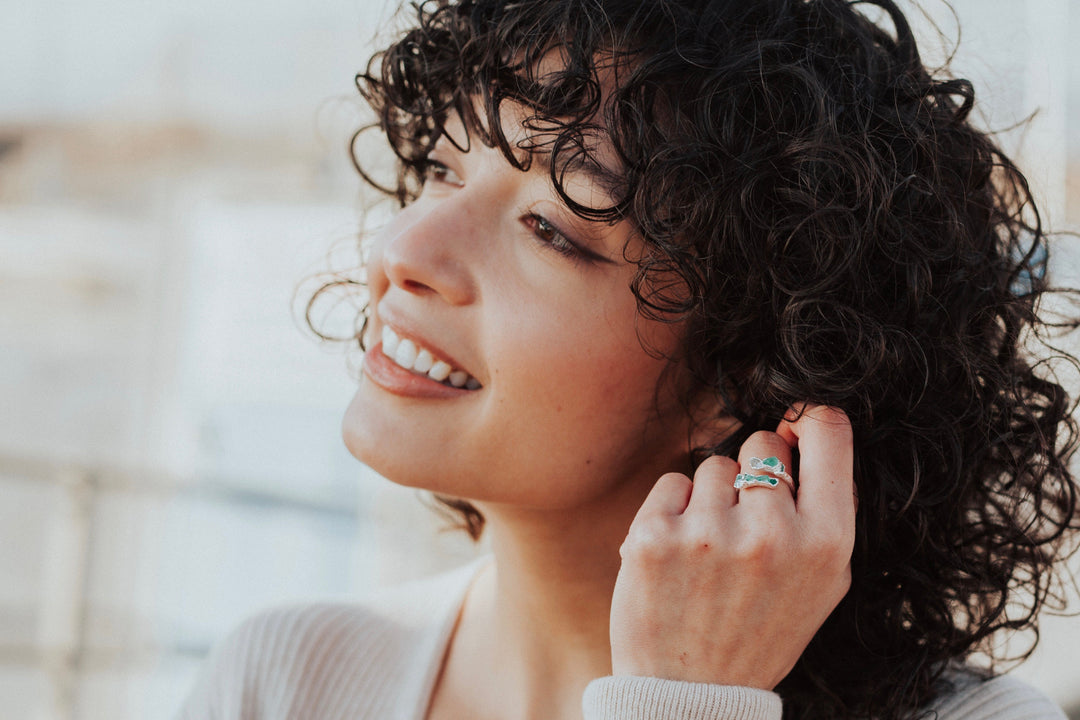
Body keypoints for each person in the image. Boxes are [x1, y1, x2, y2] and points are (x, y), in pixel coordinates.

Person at [176, 0, 1080, 718]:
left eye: (548, 227)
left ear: (742, 374)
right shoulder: (286, 682)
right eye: (447, 171)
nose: (408, 247)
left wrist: (686, 706)